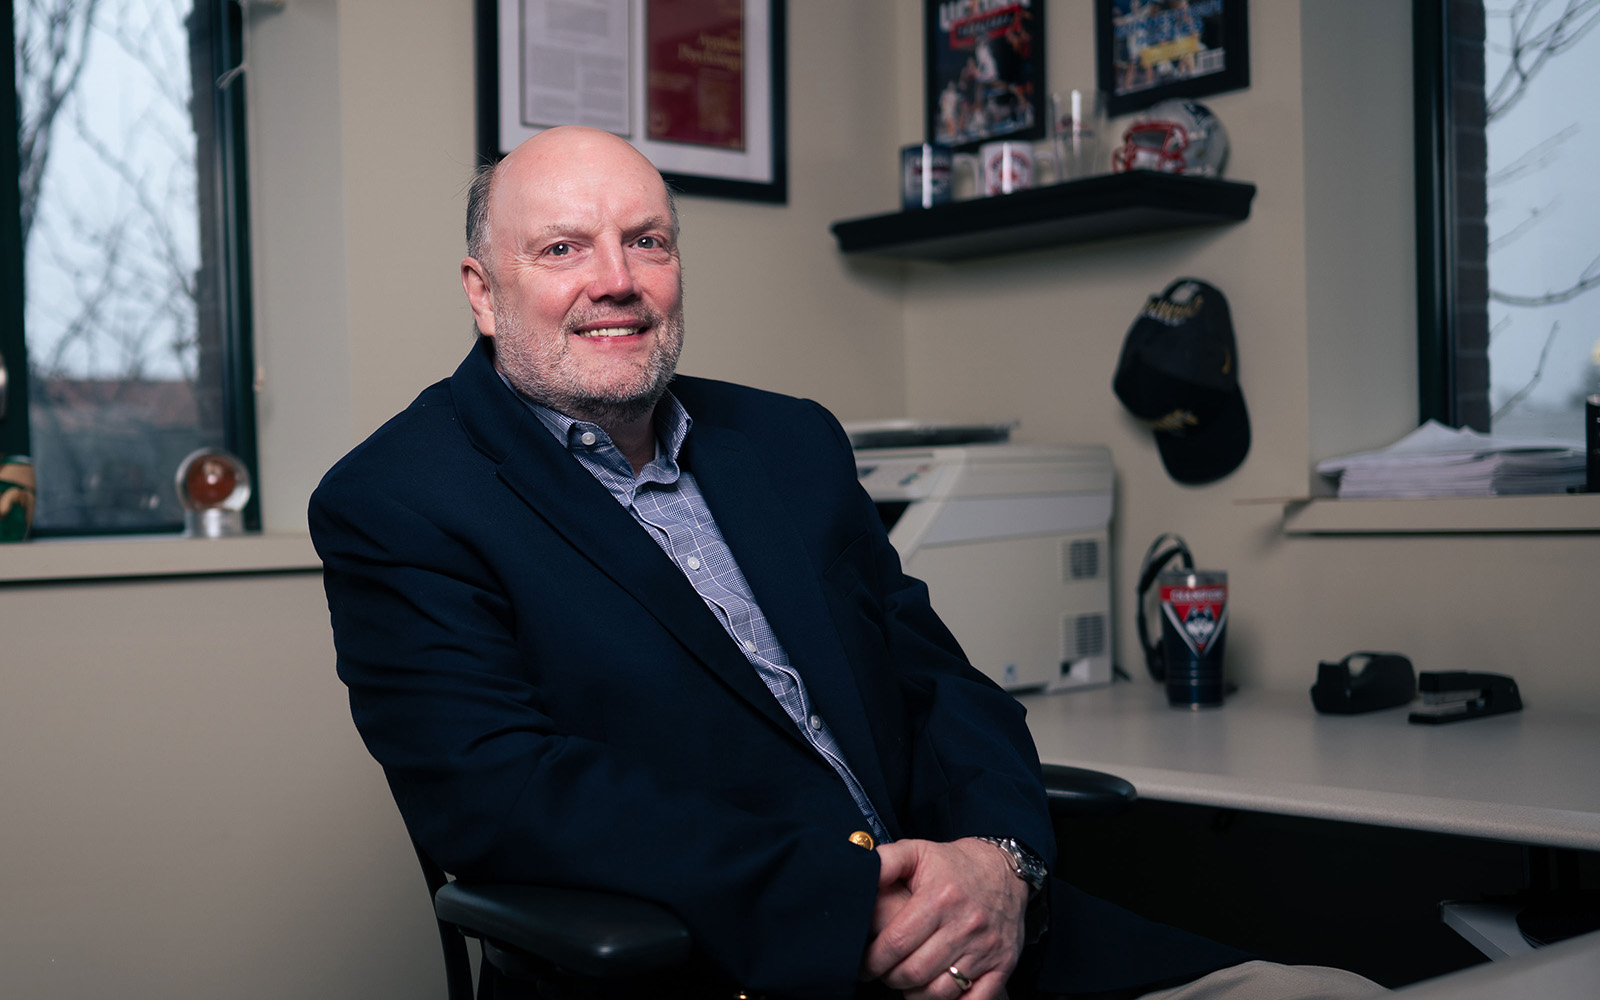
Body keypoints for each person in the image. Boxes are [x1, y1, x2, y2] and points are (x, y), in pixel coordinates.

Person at [310, 127, 1381, 1000]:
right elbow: (506, 798)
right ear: (482, 290)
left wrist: (1001, 860)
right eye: (562, 250)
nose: (618, 282)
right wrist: (858, 899)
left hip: (984, 936)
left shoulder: (787, 443)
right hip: (730, 962)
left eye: (649, 241)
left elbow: (938, 683)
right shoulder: (399, 501)